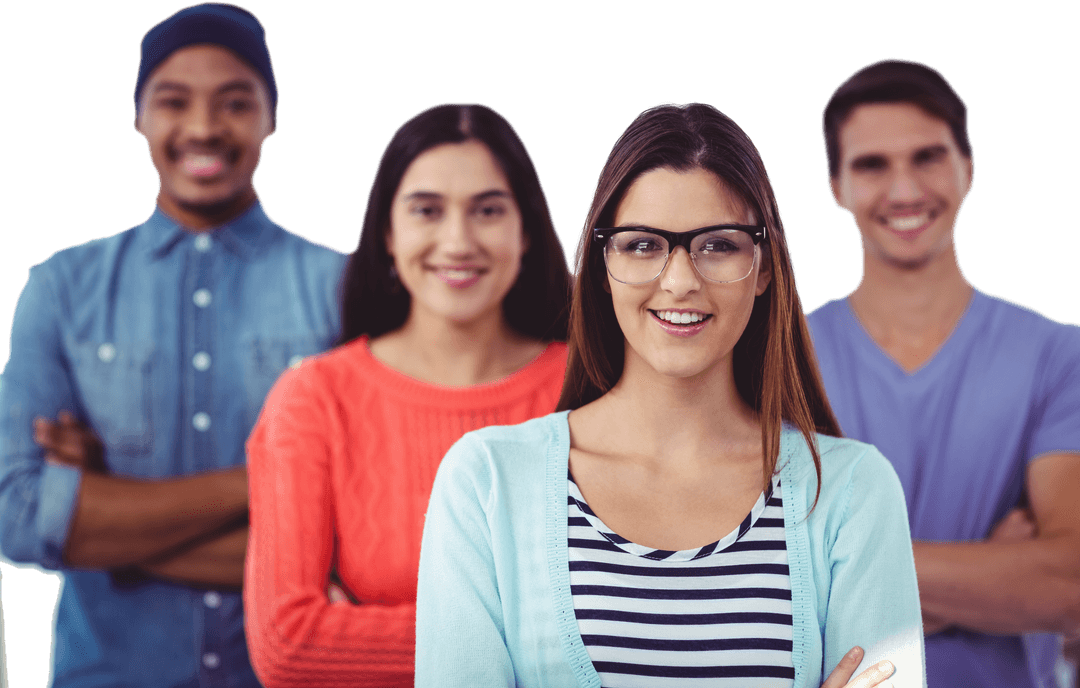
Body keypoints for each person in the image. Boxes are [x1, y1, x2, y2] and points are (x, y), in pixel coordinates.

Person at [415, 102, 924, 687]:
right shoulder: (486, 482)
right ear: (602, 263)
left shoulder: (853, 491)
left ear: (763, 268)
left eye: (718, 245)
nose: (680, 280)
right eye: (641, 245)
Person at [0, 4, 345, 686]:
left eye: (235, 102)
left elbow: (365, 537)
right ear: (139, 117)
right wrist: (270, 485)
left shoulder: (346, 289)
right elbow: (15, 511)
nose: (203, 127)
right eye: (173, 101)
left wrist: (110, 517)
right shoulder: (61, 288)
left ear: (271, 117)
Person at [243, 102, 572, 687]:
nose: (458, 239)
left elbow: (646, 613)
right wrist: (535, 637)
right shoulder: (315, 399)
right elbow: (288, 646)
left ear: (526, 231)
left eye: (488, 210)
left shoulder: (594, 387)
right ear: (388, 234)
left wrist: (363, 632)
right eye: (427, 210)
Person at [806, 58, 1080, 688]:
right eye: (871, 165)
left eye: (927, 157)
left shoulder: (1055, 357)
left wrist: (849, 573)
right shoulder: (780, 359)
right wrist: (997, 571)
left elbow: (1068, 583)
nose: (904, 191)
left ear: (969, 170)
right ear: (835, 187)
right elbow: (753, 581)